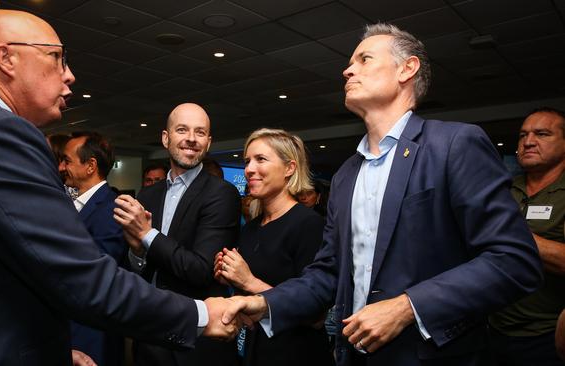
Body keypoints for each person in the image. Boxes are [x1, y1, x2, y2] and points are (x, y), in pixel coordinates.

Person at [0, 9, 237, 366]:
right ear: (6, 57)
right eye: (56, 58)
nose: (69, 75)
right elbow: (79, 277)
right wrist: (202, 316)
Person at [222, 23, 543, 366]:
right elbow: (327, 273)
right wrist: (265, 303)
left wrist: (408, 306)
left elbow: (514, 260)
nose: (347, 70)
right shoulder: (346, 175)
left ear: (407, 69)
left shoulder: (453, 145)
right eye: (350, 63)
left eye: (364, 59)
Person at [114, 103, 241, 366]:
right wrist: (137, 251)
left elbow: (200, 269)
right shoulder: (149, 194)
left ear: (208, 142)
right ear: (165, 138)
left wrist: (146, 235)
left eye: (200, 132)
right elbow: (138, 268)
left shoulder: (221, 194)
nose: (191, 139)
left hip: (195, 342)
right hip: (149, 332)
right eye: (182, 130)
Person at [214, 128, 332, 366]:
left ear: (289, 168)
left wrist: (247, 280)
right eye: (247, 161)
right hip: (255, 353)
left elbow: (316, 317)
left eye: (261, 159)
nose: (249, 169)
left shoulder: (309, 224)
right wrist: (230, 278)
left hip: (297, 355)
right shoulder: (251, 228)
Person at [488, 107, 565, 366]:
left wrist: (511, 236)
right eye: (523, 135)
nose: (528, 142)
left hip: (546, 334)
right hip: (493, 328)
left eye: (542, 134)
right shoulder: (503, 188)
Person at [60, 131, 129, 366]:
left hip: (92, 333)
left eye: (67, 160)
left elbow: (97, 272)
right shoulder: (73, 204)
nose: (61, 167)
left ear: (90, 166)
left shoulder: (111, 209)